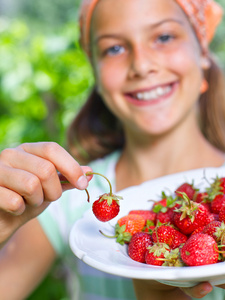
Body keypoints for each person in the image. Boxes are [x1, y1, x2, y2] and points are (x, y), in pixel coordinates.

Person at [0, 0, 225, 299]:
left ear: (203, 52)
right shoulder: (67, 203)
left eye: (164, 37)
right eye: (114, 48)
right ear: (95, 70)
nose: (142, 65)